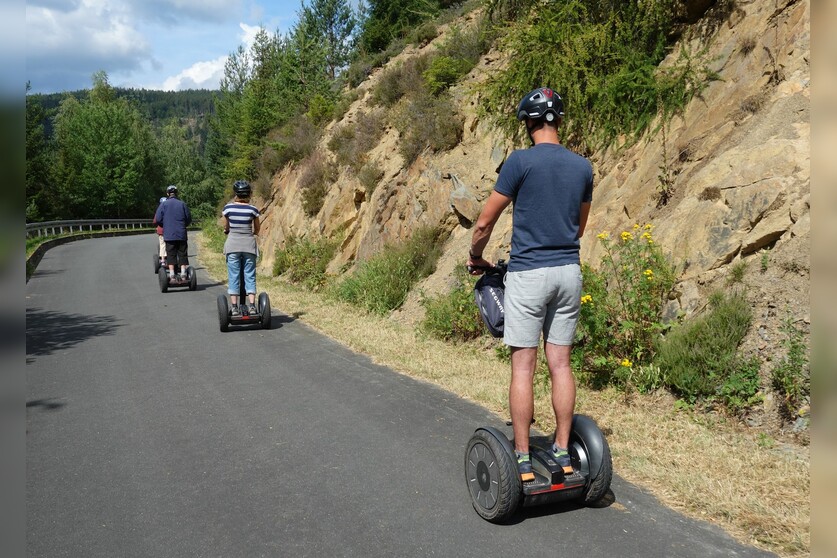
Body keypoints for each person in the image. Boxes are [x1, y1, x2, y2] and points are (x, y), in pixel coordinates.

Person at [467, 87, 593, 482]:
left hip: (529, 273)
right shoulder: (583, 167)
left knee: (523, 366)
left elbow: (485, 221)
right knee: (561, 363)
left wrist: (476, 255)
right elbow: (579, 226)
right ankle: (560, 448)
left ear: (529, 123)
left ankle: (521, 455)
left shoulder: (519, 162)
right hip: (568, 271)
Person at [222, 180, 261, 316]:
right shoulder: (253, 209)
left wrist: (227, 230)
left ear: (236, 194)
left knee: (234, 276)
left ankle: (234, 307)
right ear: (249, 194)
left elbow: (226, 226)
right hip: (248, 246)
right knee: (249, 275)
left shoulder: (228, 208)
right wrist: (254, 232)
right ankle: (251, 306)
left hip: (233, 246)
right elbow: (257, 228)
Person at [154, 185, 192, 281]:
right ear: (176, 193)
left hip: (169, 234)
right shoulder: (182, 204)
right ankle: (183, 273)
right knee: (182, 253)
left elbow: (158, 219)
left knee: (171, 254)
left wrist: (165, 225)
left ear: (167, 194)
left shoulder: (163, 204)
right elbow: (188, 219)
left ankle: (172, 275)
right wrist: (183, 225)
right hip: (181, 233)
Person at [152, 196, 167, 267]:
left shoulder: (159, 211)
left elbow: (155, 221)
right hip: (170, 230)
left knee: (162, 244)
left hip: (161, 230)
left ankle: (163, 260)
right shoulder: (169, 210)